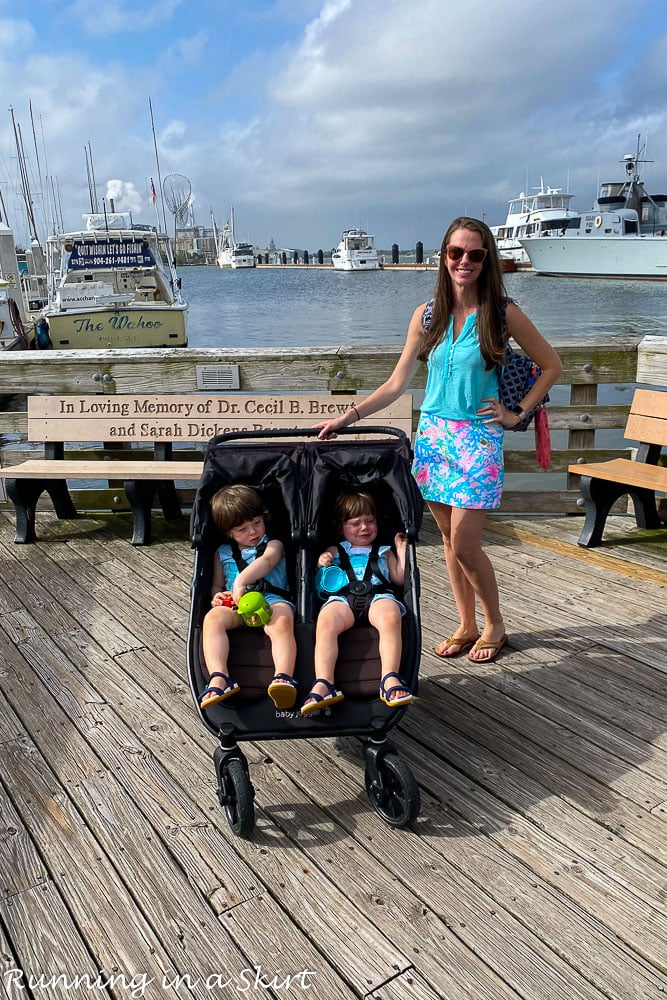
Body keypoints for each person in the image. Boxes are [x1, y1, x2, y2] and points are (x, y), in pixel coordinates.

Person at [316, 217, 563, 664]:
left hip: (478, 439)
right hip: (433, 438)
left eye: (475, 254)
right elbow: (396, 383)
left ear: (486, 260)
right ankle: (466, 623)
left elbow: (551, 366)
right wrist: (349, 417)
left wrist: (516, 414)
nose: (464, 261)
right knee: (449, 541)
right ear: (443, 257)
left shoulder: (503, 313)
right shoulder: (427, 314)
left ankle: (495, 623)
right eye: (456, 253)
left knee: (467, 543)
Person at [301, 489, 411, 715]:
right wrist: (321, 563)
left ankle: (389, 677)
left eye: (370, 521)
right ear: (341, 527)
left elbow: (399, 578)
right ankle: (324, 682)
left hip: (378, 595)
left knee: (391, 616)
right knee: (326, 621)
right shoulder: (335, 550)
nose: (364, 527)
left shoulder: (384, 551)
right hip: (342, 598)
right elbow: (320, 584)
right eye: (355, 523)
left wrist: (401, 549)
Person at [199, 484, 297, 710]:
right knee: (212, 619)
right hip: (237, 607)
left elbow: (267, 562)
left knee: (281, 622)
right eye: (242, 529)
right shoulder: (222, 553)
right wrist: (218, 597)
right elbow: (216, 585)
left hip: (272, 600)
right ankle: (220, 677)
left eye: (257, 523)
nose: (253, 532)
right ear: (228, 532)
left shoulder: (273, 544)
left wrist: (240, 581)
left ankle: (283, 676)